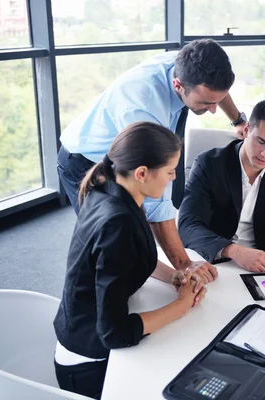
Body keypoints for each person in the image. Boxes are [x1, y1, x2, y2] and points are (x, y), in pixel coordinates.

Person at [57, 39, 245, 283]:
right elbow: (158, 202)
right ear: (178, 85)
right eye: (206, 103)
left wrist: (237, 120)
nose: (212, 110)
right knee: (114, 243)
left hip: (125, 151)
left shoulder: (189, 63)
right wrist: (184, 264)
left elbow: (218, 91)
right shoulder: (143, 108)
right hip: (85, 161)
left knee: (135, 238)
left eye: (215, 101)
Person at [53, 122, 207, 399]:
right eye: (170, 171)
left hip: (80, 332)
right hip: (91, 367)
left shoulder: (110, 189)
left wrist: (172, 274)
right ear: (142, 173)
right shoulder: (118, 222)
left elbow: (125, 258)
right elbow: (115, 333)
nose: (173, 177)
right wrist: (181, 305)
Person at [178, 100, 265, 272]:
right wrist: (233, 251)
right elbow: (188, 225)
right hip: (214, 260)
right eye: (261, 141)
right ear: (246, 130)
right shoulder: (209, 164)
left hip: (263, 264)